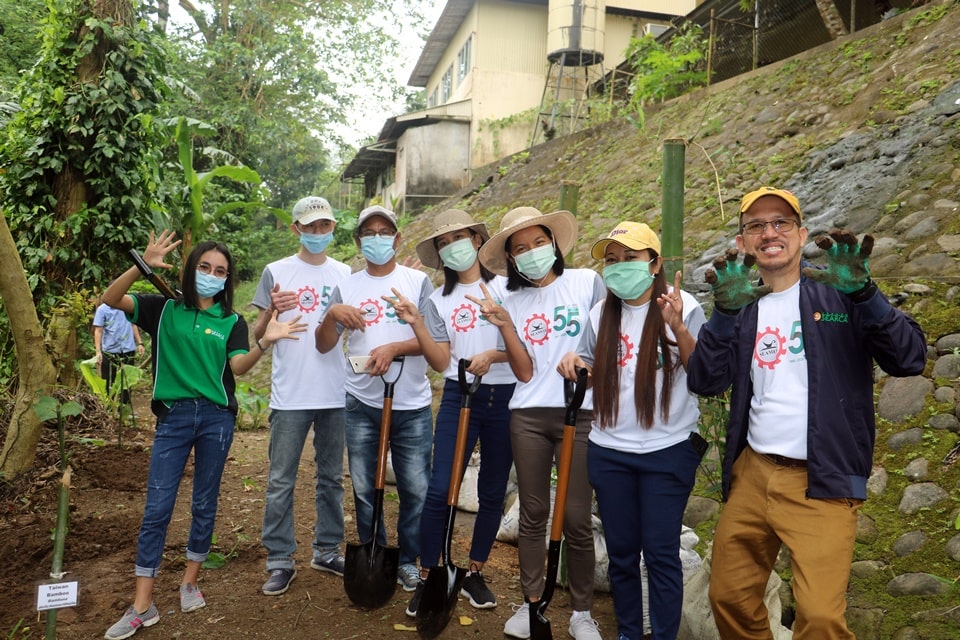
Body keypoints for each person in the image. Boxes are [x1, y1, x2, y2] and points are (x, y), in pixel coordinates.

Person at [686, 187, 927, 639]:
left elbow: (909, 357)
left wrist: (866, 295)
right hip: (754, 474)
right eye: (755, 225)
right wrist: (721, 315)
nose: (768, 232)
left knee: (819, 619)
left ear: (801, 234)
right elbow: (704, 380)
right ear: (743, 242)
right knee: (729, 598)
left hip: (824, 479)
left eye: (780, 223)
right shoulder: (743, 304)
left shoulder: (839, 290)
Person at [102, 230, 307, 639]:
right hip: (174, 417)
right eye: (205, 267)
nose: (211, 275)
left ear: (227, 279)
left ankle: (190, 581)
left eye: (220, 271)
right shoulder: (161, 309)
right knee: (157, 507)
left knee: (204, 500)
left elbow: (238, 368)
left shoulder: (231, 320)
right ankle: (143, 604)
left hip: (215, 418)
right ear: (191, 268)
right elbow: (110, 299)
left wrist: (264, 343)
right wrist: (141, 265)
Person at [558, 221, 706, 640]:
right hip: (609, 451)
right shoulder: (599, 313)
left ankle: (661, 636)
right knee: (622, 555)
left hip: (667, 451)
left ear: (655, 263)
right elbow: (585, 359)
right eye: (611, 260)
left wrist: (677, 326)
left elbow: (705, 375)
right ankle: (627, 632)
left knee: (661, 554)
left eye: (630, 258)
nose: (619, 267)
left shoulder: (686, 307)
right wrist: (572, 360)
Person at [468, 206, 606, 640]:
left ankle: (581, 611)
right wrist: (506, 326)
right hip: (527, 415)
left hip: (581, 413)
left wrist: (586, 365)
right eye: (520, 249)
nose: (531, 253)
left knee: (578, 517)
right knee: (532, 513)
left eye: (538, 242)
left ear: (553, 242)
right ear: (511, 259)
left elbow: (610, 342)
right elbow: (524, 372)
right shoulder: (512, 301)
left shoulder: (588, 283)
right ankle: (532, 604)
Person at [386, 209, 516, 617]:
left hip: (508, 396)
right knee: (441, 488)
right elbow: (442, 361)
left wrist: (494, 355)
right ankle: (429, 574)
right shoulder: (438, 299)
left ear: (478, 239)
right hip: (460, 396)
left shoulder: (512, 288)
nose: (451, 247)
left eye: (458, 237)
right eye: (443, 243)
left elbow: (524, 347)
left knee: (493, 489)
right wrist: (417, 323)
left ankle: (473, 570)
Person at [315, 204, 434, 594]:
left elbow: (434, 343)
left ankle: (407, 560)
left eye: (385, 232)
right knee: (366, 488)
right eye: (369, 233)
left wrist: (394, 348)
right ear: (358, 241)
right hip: (361, 403)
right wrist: (332, 313)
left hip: (412, 404)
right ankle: (376, 554)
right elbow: (323, 344)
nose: (378, 238)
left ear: (398, 239)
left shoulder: (417, 282)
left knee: (415, 488)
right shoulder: (347, 286)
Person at [252, 196, 352, 596]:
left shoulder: (346, 273)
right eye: (308, 227)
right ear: (295, 228)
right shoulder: (276, 272)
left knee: (331, 479)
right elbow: (257, 336)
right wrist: (269, 312)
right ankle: (279, 560)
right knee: (280, 480)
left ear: (332, 228)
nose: (316, 233)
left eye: (323, 226)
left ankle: (327, 550)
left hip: (335, 393)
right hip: (289, 395)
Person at [93, 300, 145, 405]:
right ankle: (109, 406)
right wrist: (98, 351)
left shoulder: (128, 307)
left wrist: (140, 343)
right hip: (110, 351)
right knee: (108, 379)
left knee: (127, 379)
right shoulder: (102, 309)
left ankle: (125, 406)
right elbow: (98, 330)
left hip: (128, 348)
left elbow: (133, 325)